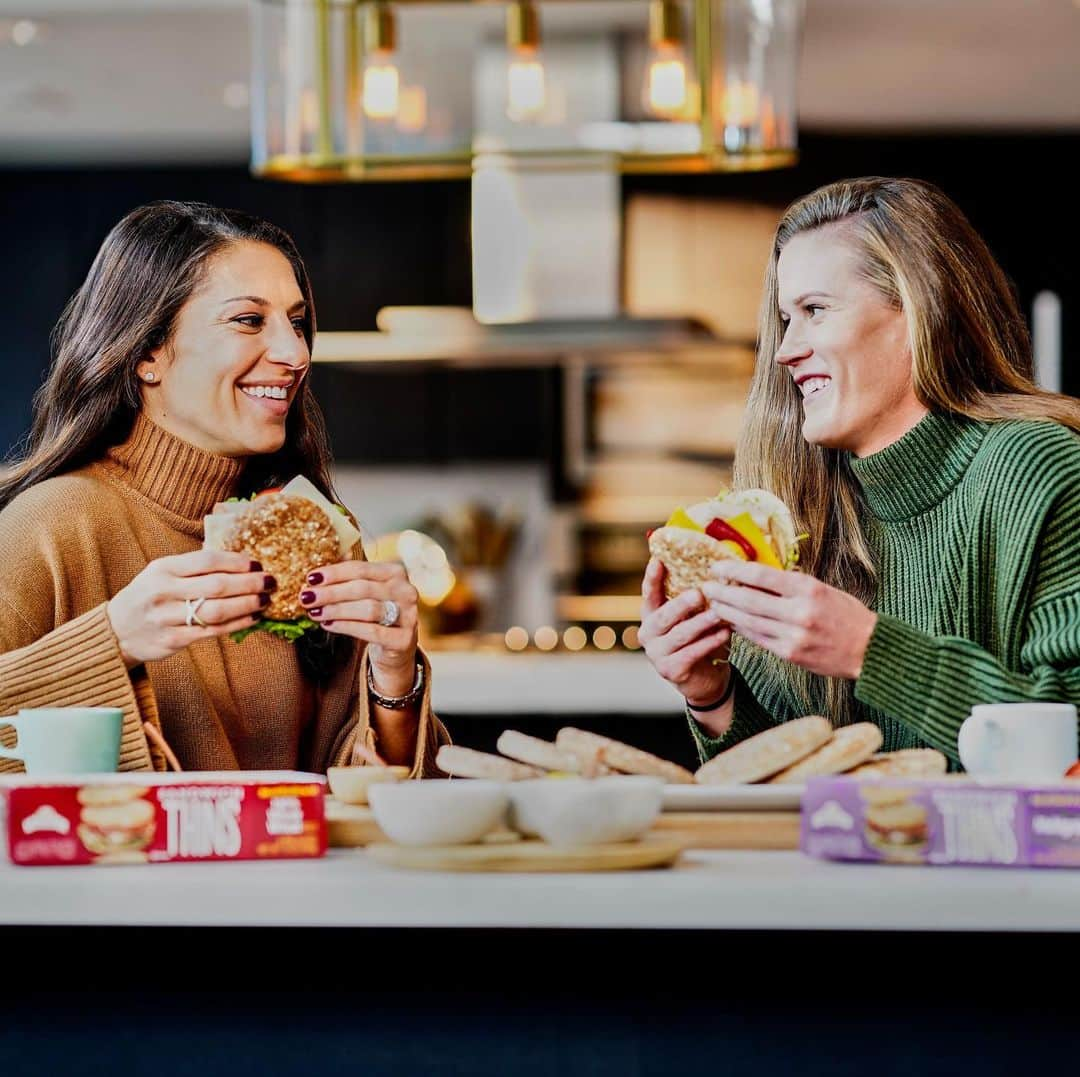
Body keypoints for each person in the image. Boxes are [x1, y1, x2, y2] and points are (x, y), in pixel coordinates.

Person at [639, 177, 1080, 766]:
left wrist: (871, 652)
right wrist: (712, 695)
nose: (784, 350)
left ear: (917, 313)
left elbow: (1069, 743)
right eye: (785, 319)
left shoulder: (1038, 467)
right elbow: (800, 792)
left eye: (815, 310)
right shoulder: (794, 512)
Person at [0, 201, 448, 775]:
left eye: (296, 321)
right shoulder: (50, 527)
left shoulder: (313, 535)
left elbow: (390, 816)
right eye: (248, 320)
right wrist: (112, 640)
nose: (296, 354)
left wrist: (394, 678)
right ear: (147, 353)